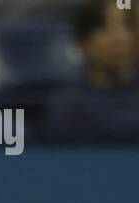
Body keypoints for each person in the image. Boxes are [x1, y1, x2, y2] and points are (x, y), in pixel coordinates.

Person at [39, 0, 139, 141]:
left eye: (126, 27)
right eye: (103, 27)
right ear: (80, 41)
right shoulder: (67, 107)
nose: (118, 38)